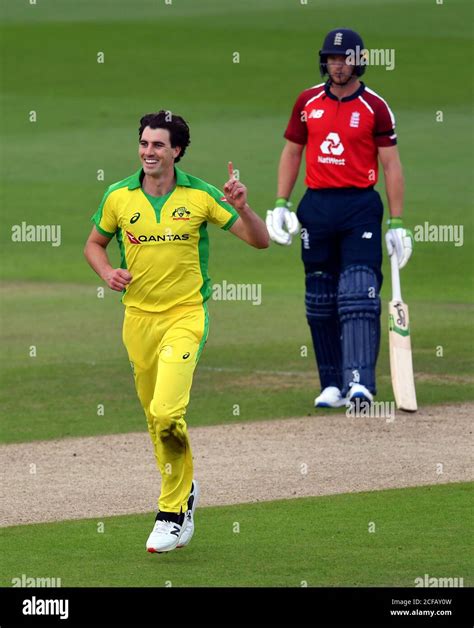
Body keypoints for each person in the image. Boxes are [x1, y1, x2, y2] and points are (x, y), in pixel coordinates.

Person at [84, 111, 269, 553]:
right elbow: (94, 243)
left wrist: (243, 207)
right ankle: (184, 490)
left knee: (168, 412)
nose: (149, 151)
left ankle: (171, 511)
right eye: (144, 143)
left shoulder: (201, 195)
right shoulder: (118, 196)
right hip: (138, 320)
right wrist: (107, 270)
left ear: (177, 151)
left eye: (159, 145)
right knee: (155, 420)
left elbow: (260, 240)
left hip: (186, 316)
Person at [266, 28, 413, 408]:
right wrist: (281, 202)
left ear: (358, 61)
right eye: (332, 58)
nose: (338, 65)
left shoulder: (375, 107)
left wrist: (397, 222)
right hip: (316, 206)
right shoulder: (307, 101)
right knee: (319, 298)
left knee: (358, 293)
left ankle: (360, 383)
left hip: (359, 207)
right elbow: (292, 152)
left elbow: (391, 165)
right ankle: (331, 384)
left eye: (344, 58)